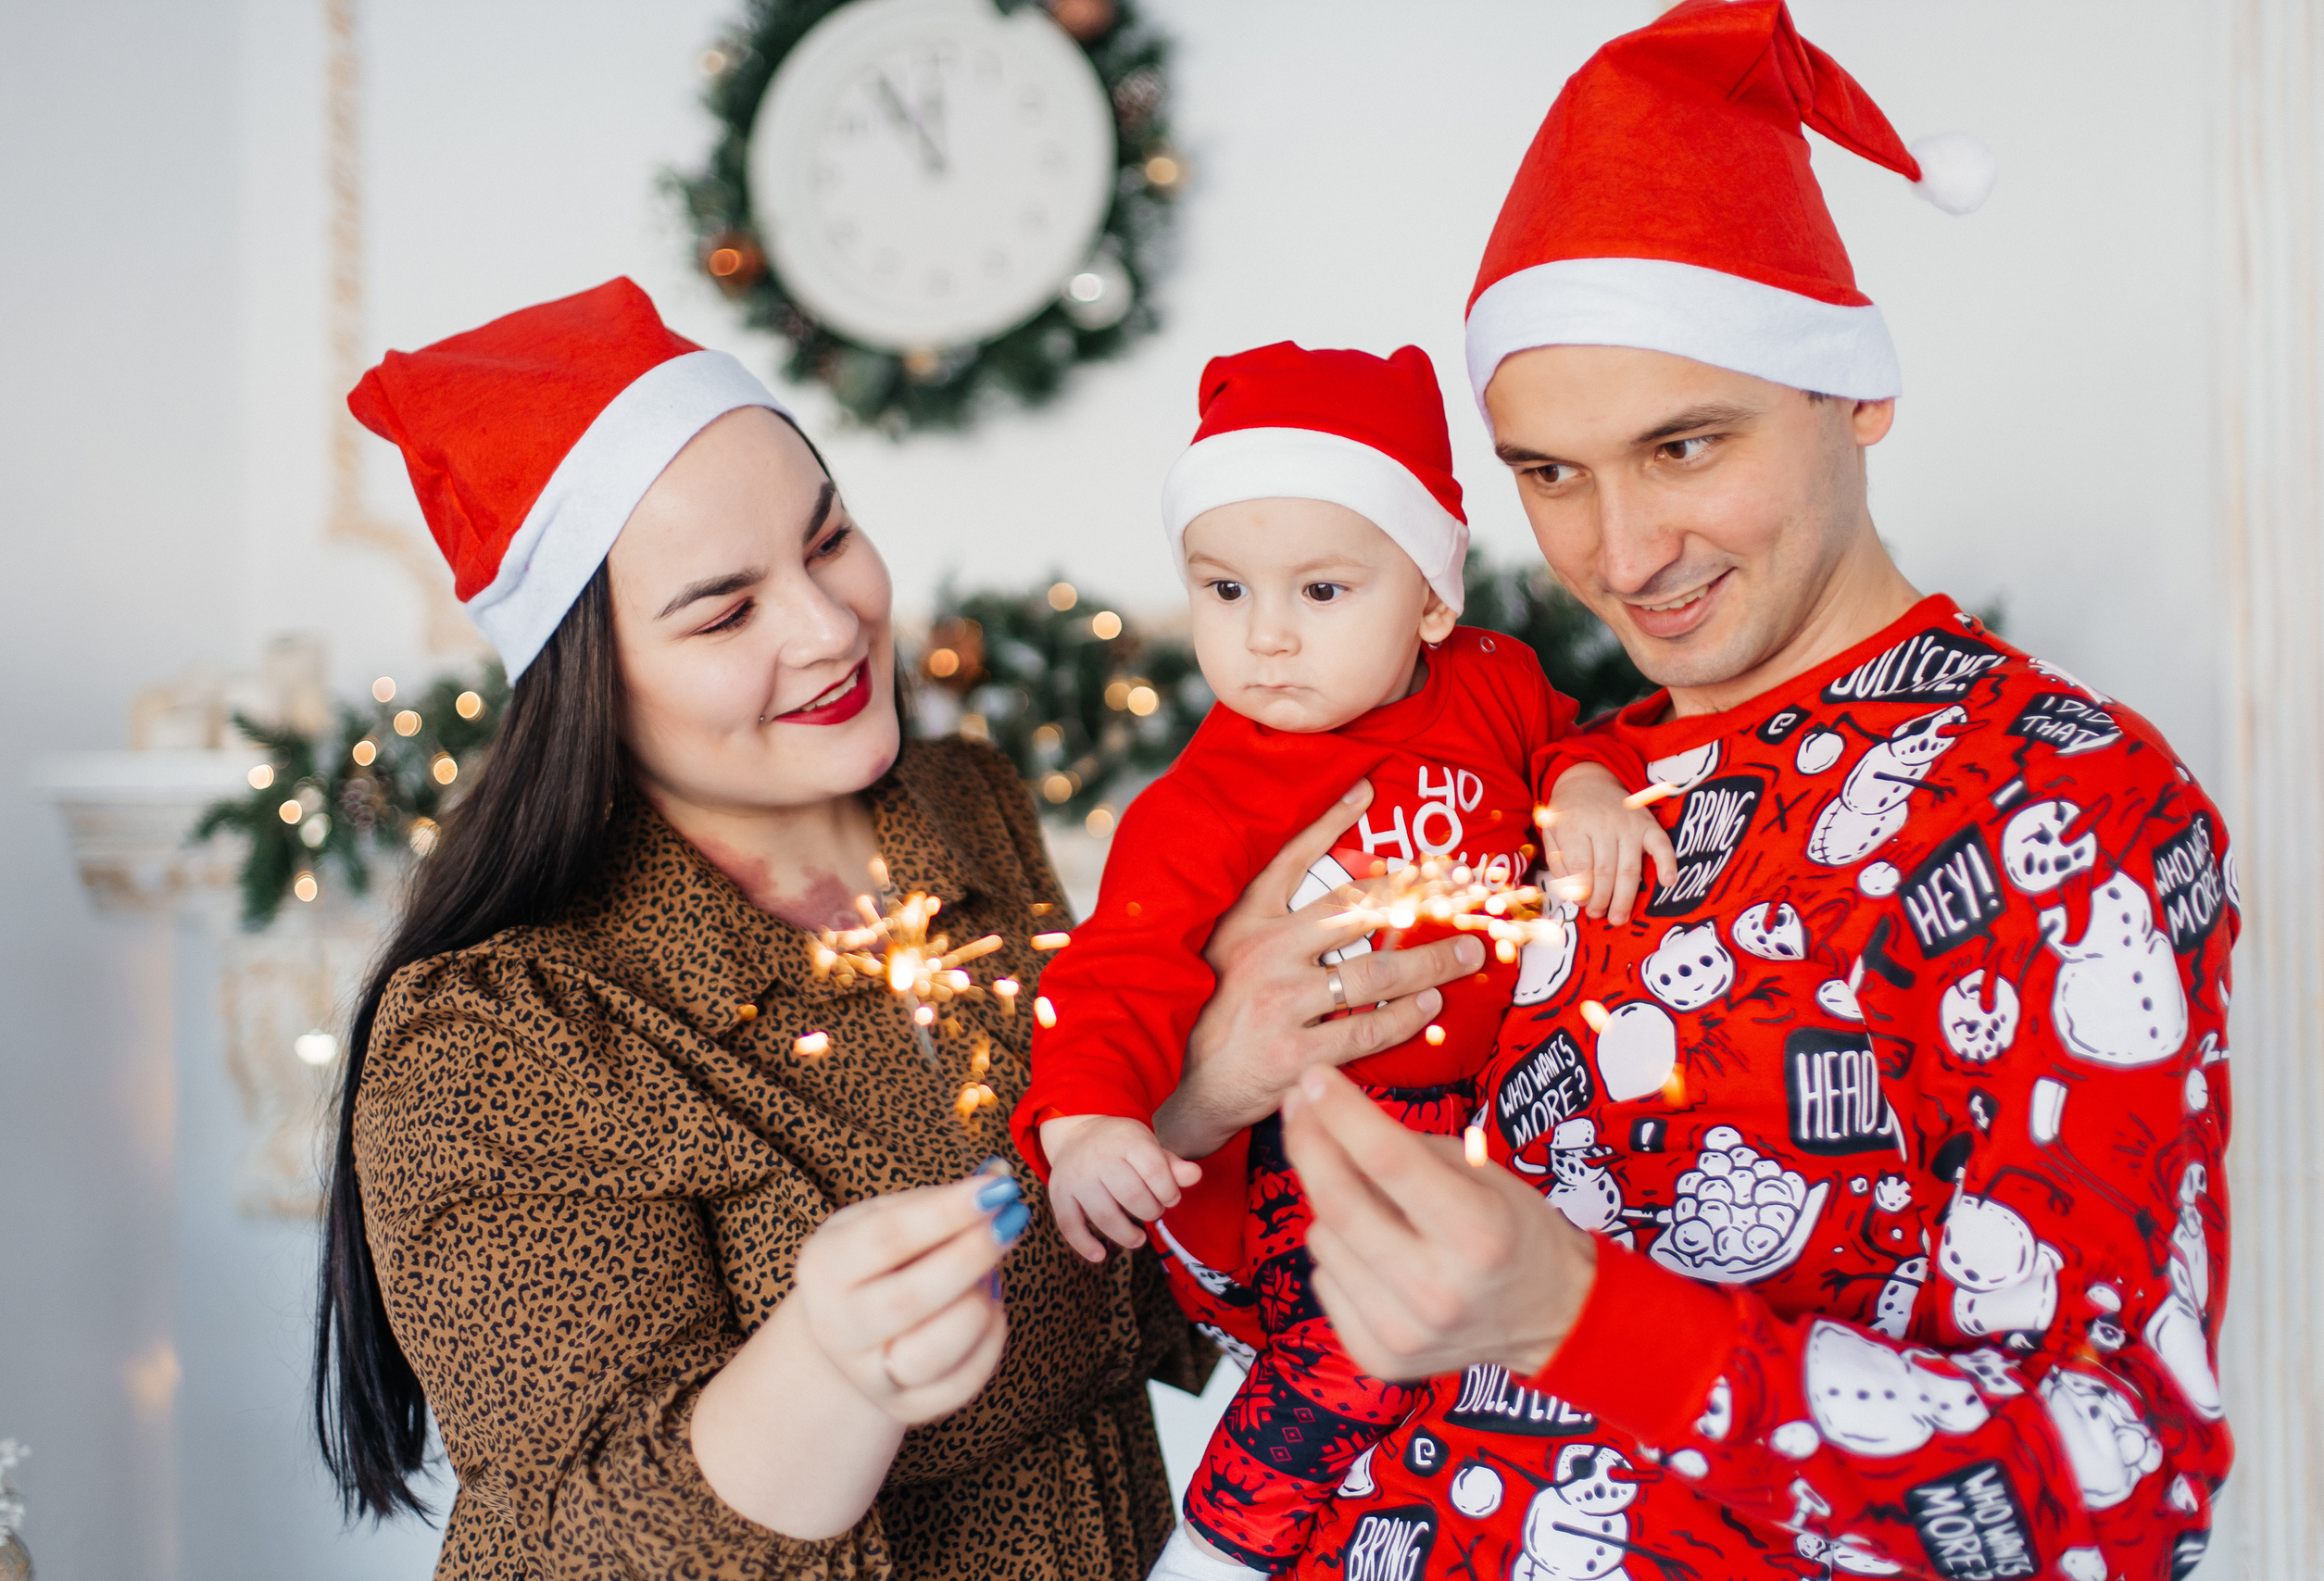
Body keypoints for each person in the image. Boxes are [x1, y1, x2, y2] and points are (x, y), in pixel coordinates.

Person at [1162, 6, 2234, 1579]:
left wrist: (1578, 1317)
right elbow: (1277, 1327)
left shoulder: (2061, 804)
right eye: (1548, 474)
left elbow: (2123, 1493)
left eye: (1684, 445)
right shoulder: (1515, 782)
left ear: (1854, 392)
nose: (1618, 552)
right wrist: (1206, 1098)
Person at [311, 277, 1216, 1578]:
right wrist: (828, 1375)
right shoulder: (505, 1034)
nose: (831, 623)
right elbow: (582, 1554)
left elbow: (1108, 1278)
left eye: (830, 536)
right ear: (590, 682)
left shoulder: (966, 811)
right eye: (726, 610)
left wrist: (1209, 1082)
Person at [1002, 344, 1667, 1575]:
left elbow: (1568, 741)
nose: (1265, 641)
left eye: (1319, 593)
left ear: (1429, 598)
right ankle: (1222, 1542)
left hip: (1498, 1117)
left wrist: (1580, 783)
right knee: (1362, 1343)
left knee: (1504, 1354)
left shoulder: (1492, 683)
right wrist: (1091, 1121)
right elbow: (1117, 972)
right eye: (1223, 590)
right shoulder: (1206, 801)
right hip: (1324, 1129)